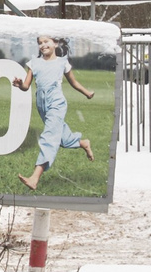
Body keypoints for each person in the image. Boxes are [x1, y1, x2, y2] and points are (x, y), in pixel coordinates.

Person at [20, 34, 100, 191]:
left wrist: (87, 93)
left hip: (57, 103)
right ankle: (83, 143)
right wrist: (19, 84)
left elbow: (74, 82)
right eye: (40, 43)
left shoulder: (63, 63)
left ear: (55, 43)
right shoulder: (33, 63)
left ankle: (34, 178)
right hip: (42, 105)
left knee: (49, 136)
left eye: (46, 42)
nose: (43, 45)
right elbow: (26, 86)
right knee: (61, 138)